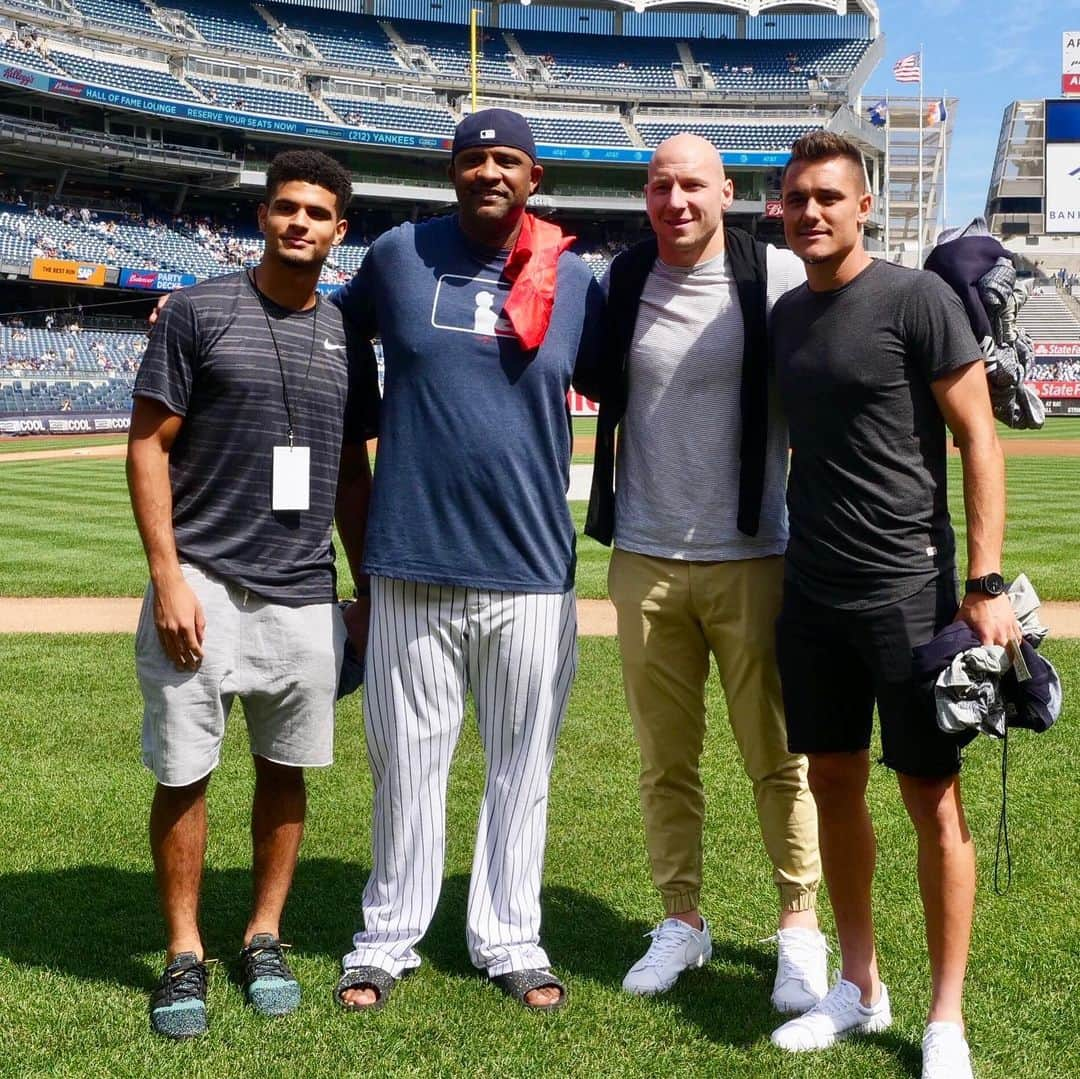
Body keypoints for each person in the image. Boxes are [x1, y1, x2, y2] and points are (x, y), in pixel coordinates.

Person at [330, 108, 604, 1013]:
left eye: (509, 160)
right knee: (405, 762)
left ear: (536, 177)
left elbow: (646, 377)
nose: (491, 171)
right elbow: (309, 327)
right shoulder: (400, 254)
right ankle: (388, 935)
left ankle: (510, 935)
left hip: (531, 567)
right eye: (476, 158)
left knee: (522, 766)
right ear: (452, 169)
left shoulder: (573, 278)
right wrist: (204, 300)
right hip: (409, 557)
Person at [768, 131, 1019, 1079]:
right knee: (832, 785)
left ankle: (944, 1016)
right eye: (797, 198)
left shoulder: (918, 298)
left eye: (829, 196)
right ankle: (861, 986)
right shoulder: (789, 313)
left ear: (863, 204)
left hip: (907, 591)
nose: (812, 212)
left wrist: (985, 582)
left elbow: (979, 440)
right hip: (813, 592)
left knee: (930, 799)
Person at [128, 149, 377, 1039]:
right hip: (205, 579)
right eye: (284, 208)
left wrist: (366, 587)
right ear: (262, 218)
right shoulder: (197, 311)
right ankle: (185, 950)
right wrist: (167, 577)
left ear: (339, 231)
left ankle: (262, 933)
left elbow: (352, 472)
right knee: (185, 768)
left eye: (316, 212)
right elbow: (149, 445)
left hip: (307, 592)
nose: (298, 222)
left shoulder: (349, 333)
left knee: (287, 768)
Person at [585, 133, 825, 1009]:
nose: (676, 201)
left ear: (728, 191)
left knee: (779, 755)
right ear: (644, 195)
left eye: (693, 185)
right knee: (665, 760)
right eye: (660, 185)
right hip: (645, 557)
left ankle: (799, 922)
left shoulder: (778, 278)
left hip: (753, 555)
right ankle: (682, 919)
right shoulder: (622, 280)